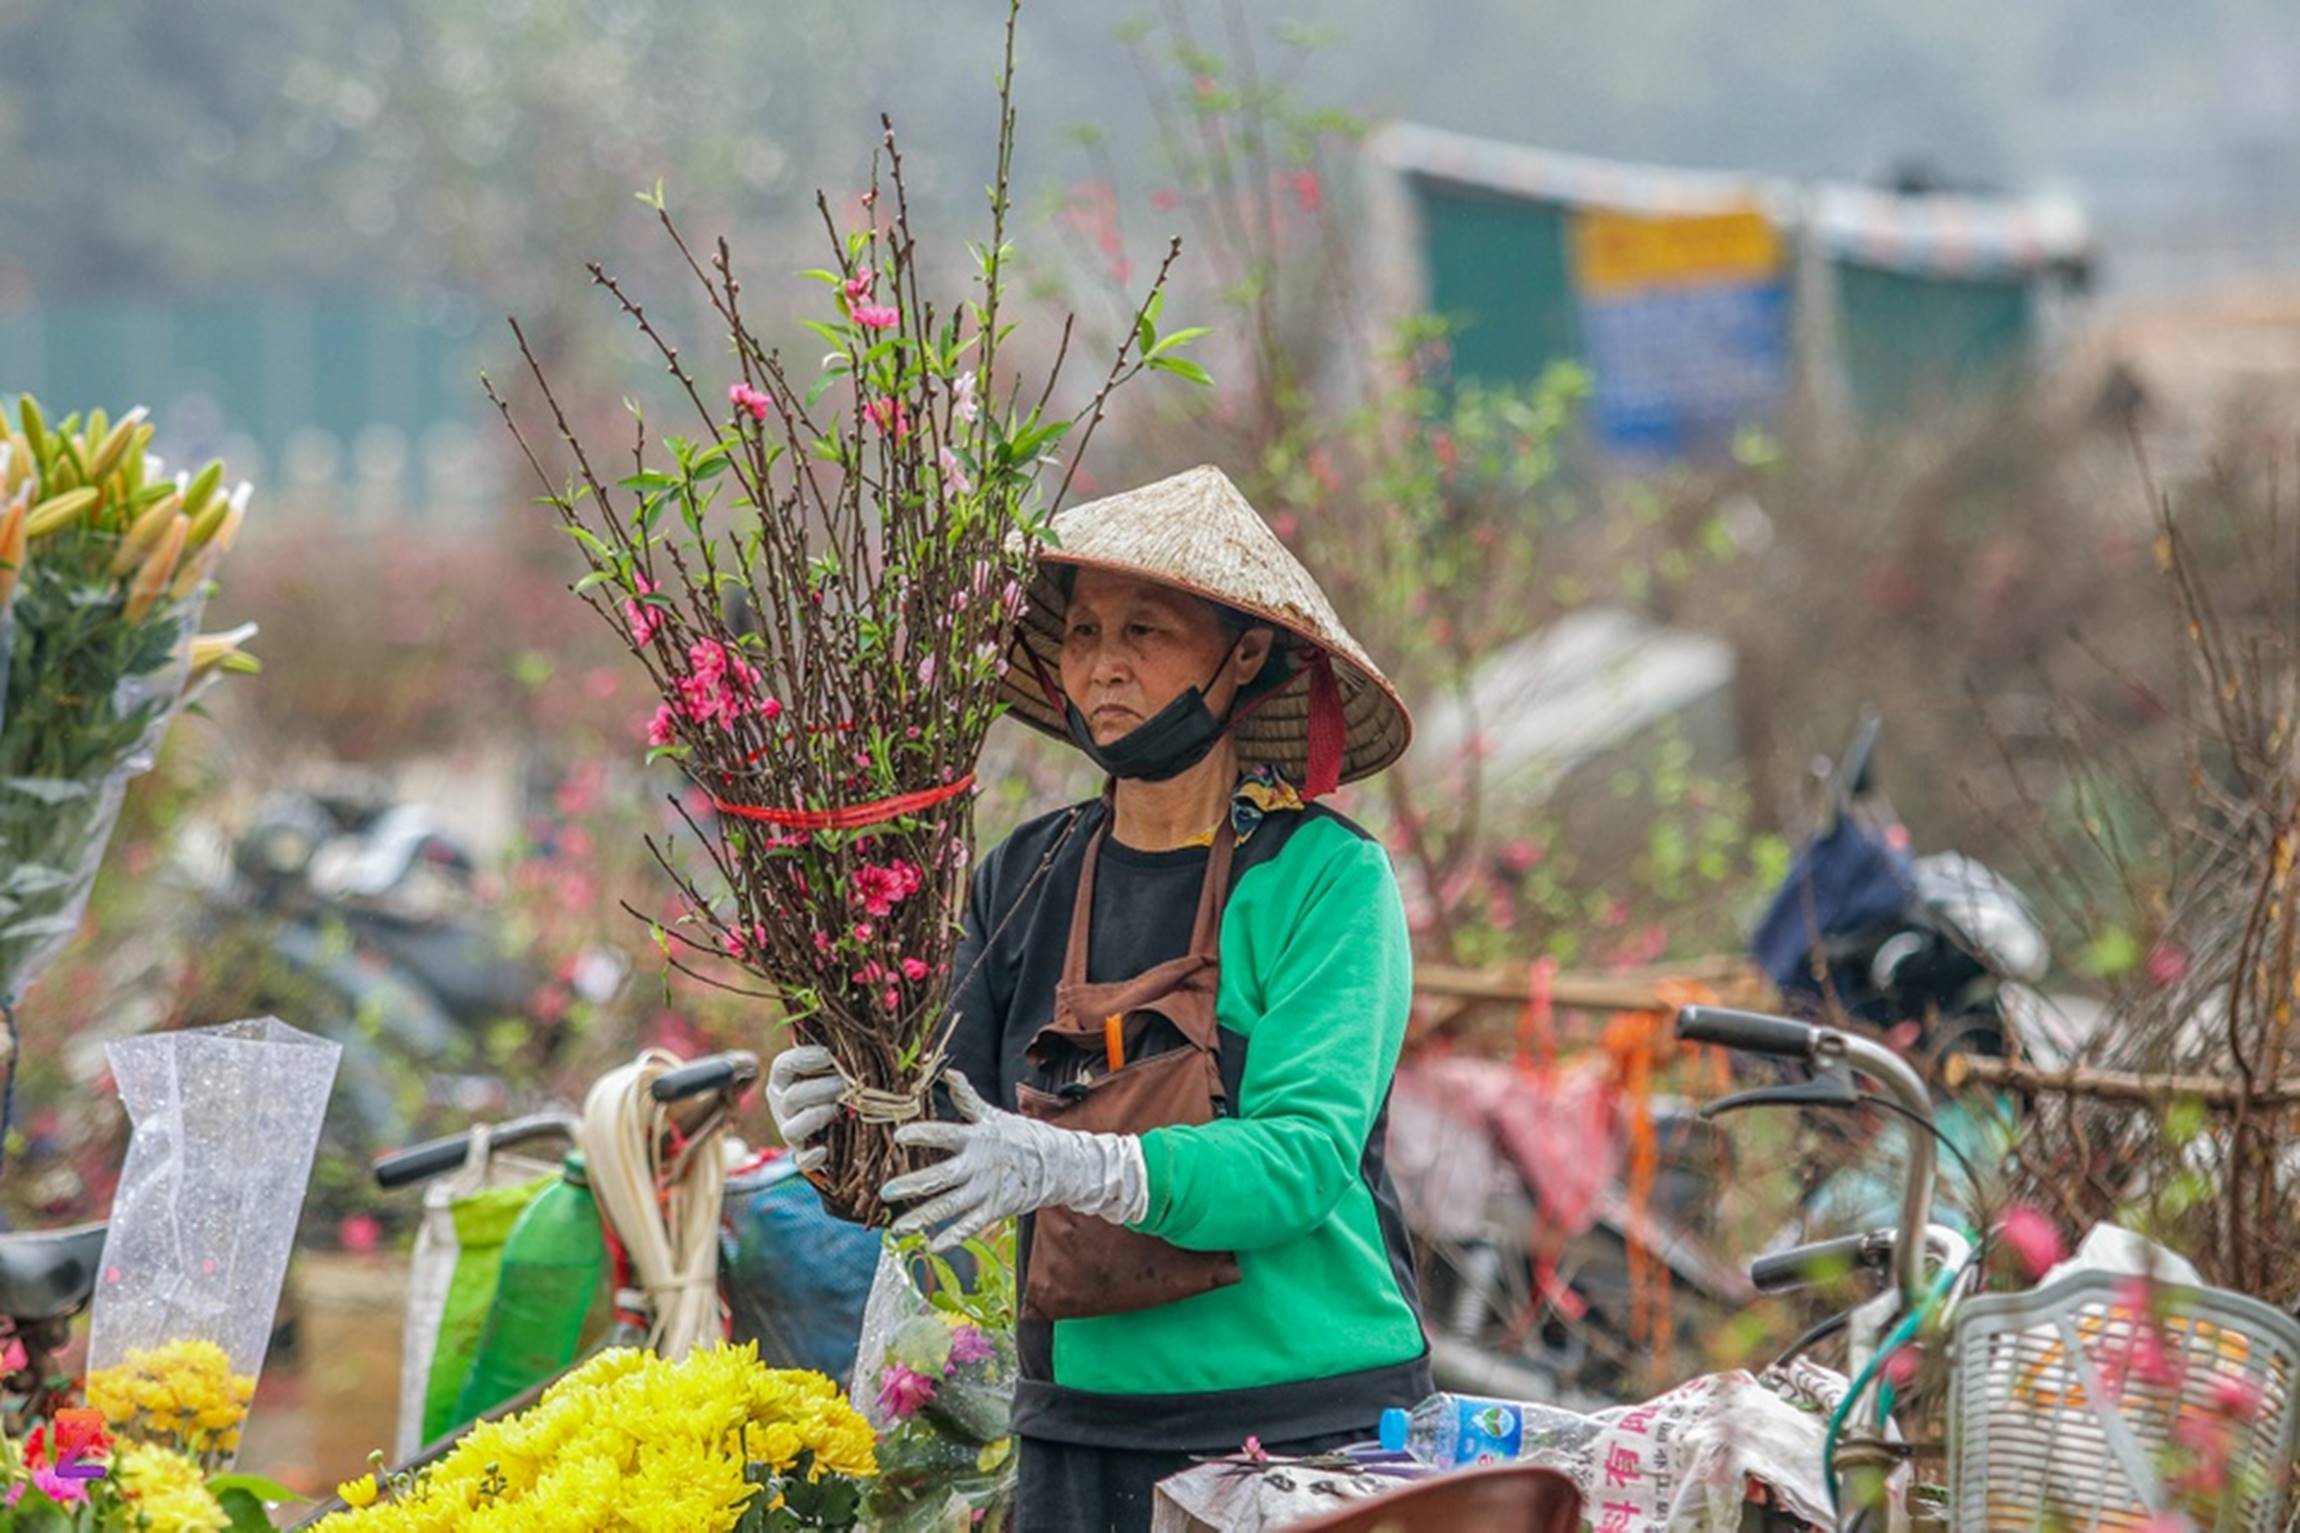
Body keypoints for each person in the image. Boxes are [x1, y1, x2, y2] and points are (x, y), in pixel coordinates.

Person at [768, 464, 1430, 1532]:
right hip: (1079, 1427)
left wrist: (1080, 1162)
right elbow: (940, 1146)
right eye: (1081, 634)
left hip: (1303, 1430)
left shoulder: (1321, 881)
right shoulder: (1025, 874)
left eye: (1144, 631)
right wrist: (837, 1120)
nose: (1103, 666)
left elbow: (1302, 1157)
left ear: (1245, 654)